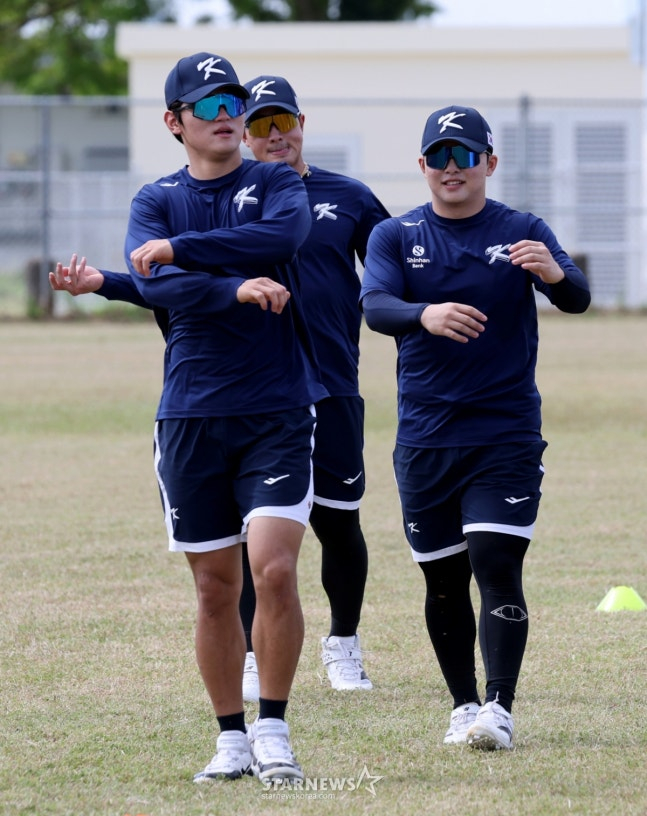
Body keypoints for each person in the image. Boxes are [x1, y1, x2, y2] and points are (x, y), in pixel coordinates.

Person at [51, 52, 328, 785]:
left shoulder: (273, 181)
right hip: (191, 413)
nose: (226, 115)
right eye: (206, 106)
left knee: (272, 568)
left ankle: (273, 727)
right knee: (213, 588)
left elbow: (281, 240)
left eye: (231, 101)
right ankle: (229, 739)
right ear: (174, 123)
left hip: (276, 407)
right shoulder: (155, 198)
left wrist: (184, 253)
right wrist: (225, 289)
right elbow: (153, 282)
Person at [359, 105, 591, 750]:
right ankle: (462, 705)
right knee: (442, 577)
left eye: (465, 155)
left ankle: (499, 707)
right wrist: (425, 314)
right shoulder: (395, 235)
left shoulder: (521, 228)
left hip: (505, 434)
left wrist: (550, 271)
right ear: (423, 166)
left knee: (495, 562)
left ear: (490, 162)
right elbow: (376, 307)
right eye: (439, 156)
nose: (452, 167)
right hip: (426, 439)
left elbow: (576, 295)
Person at [238, 75, 390, 699]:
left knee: (338, 522)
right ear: (243, 136)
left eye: (283, 122)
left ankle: (343, 644)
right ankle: (251, 653)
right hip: (257, 391)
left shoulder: (348, 196)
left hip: (332, 384)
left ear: (302, 122)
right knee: (256, 531)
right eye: (260, 126)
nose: (275, 137)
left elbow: (402, 263)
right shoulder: (231, 197)